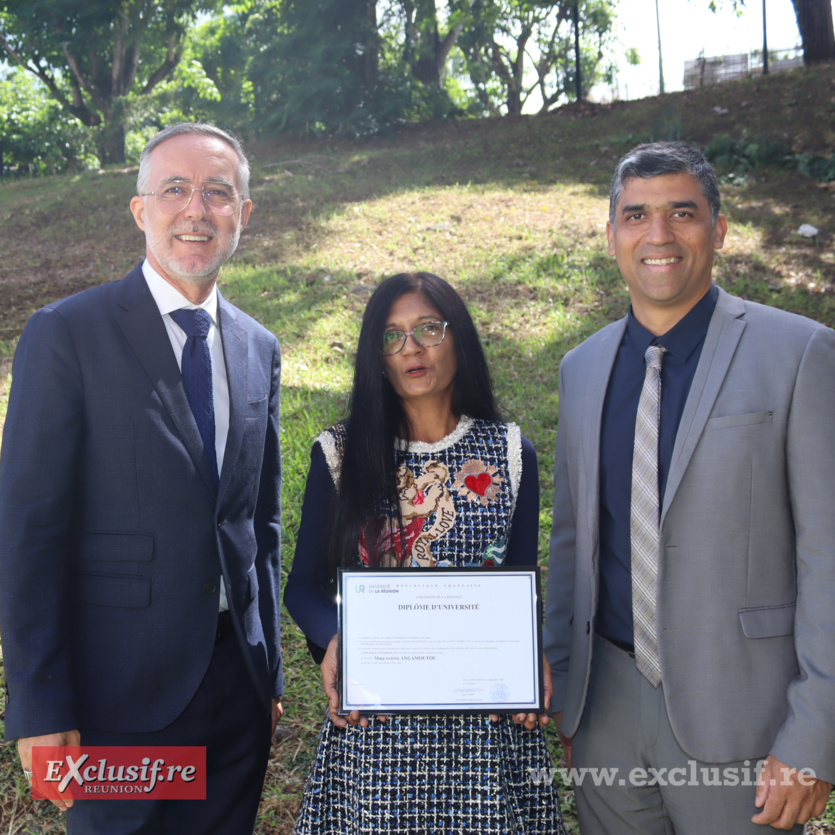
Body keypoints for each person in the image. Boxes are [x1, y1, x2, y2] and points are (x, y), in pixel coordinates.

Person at [544, 140, 835, 834]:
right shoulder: (581, 369)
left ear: (719, 228)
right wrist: (565, 690)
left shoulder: (799, 353)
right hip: (605, 708)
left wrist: (814, 737)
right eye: (636, 215)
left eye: (682, 213)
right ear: (611, 235)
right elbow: (573, 540)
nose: (659, 235)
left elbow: (829, 557)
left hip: (745, 715)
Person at [0, 122, 283, 834]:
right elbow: (28, 530)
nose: (196, 210)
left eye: (218, 192)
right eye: (175, 189)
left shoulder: (259, 347)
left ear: (244, 213)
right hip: (114, 705)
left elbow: (260, 523)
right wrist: (39, 703)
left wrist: (269, 672)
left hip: (236, 695)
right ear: (140, 209)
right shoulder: (67, 333)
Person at [284, 272, 566, 834]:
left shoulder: (510, 454)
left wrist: (528, 650)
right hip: (376, 724)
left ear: (459, 337)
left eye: (428, 329)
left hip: (484, 727)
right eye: (391, 336)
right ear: (377, 357)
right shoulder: (340, 453)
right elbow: (301, 587)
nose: (410, 348)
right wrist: (336, 639)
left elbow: (517, 586)